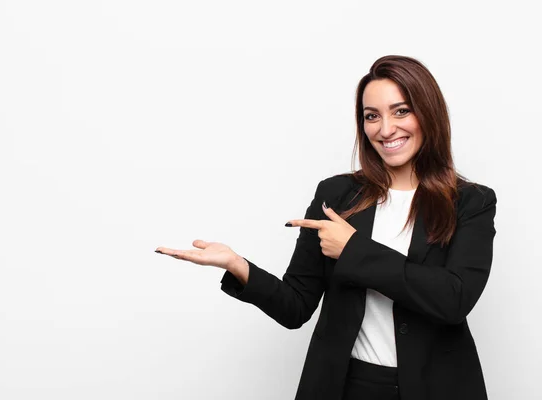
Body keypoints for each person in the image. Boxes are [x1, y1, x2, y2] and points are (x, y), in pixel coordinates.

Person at [155, 55, 497, 400]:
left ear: (429, 113)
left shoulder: (471, 202)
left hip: (437, 387)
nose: (386, 129)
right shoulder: (336, 195)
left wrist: (353, 250)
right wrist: (238, 266)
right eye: (371, 116)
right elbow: (295, 306)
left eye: (401, 111)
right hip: (346, 386)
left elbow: (454, 299)